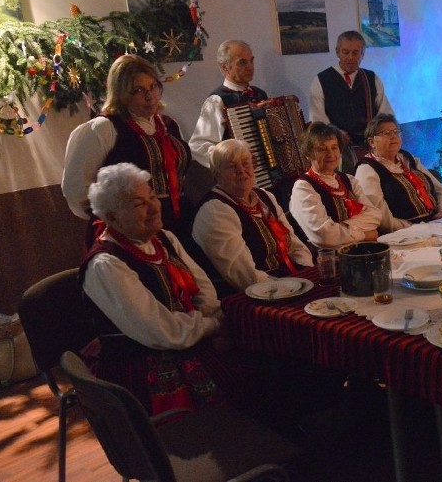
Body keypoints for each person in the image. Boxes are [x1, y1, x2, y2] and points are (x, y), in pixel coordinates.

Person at [79, 163, 230, 415]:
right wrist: (214, 326)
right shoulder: (106, 265)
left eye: (152, 197)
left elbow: (203, 288)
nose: (153, 208)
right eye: (138, 204)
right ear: (112, 217)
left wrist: (213, 317)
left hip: (192, 336)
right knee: (238, 398)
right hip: (145, 362)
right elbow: (162, 332)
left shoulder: (164, 238)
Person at [62, 54, 191, 239]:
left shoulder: (168, 124)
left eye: (153, 87)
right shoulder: (103, 128)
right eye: (138, 90)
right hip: (130, 229)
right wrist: (117, 221)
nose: (149, 96)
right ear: (121, 94)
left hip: (178, 222)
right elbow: (76, 189)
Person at [192, 140, 313, 296]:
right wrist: (291, 288)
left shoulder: (265, 197)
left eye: (245, 163)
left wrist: (307, 273)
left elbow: (295, 245)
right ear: (216, 175)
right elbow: (244, 276)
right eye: (232, 166)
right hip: (254, 296)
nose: (241, 171)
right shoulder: (214, 210)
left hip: (291, 282)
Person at [308, 30, 394, 173]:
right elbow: (317, 120)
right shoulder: (321, 80)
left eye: (355, 53)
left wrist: (382, 137)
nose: (350, 57)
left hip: (369, 149)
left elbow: (385, 115)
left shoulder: (371, 79)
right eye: (345, 52)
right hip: (337, 152)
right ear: (337, 52)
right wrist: (335, 133)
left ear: (362, 54)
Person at [289, 122, 381, 248]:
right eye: (322, 149)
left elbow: (375, 216)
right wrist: (364, 235)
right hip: (333, 261)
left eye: (334, 147)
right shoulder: (303, 188)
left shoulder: (348, 180)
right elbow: (324, 236)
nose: (330, 154)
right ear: (308, 153)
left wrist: (339, 228)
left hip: (364, 250)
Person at [355, 114, 442, 232]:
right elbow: (380, 216)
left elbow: (439, 188)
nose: (393, 137)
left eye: (396, 132)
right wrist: (415, 228)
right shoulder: (367, 169)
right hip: (403, 234)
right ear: (372, 142)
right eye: (386, 133)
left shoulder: (407, 159)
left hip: (435, 224)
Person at [189, 40, 268, 168]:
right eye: (242, 62)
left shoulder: (260, 94)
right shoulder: (217, 100)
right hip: (237, 177)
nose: (250, 66)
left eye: (251, 60)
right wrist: (232, 157)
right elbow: (198, 145)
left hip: (267, 173)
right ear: (224, 67)